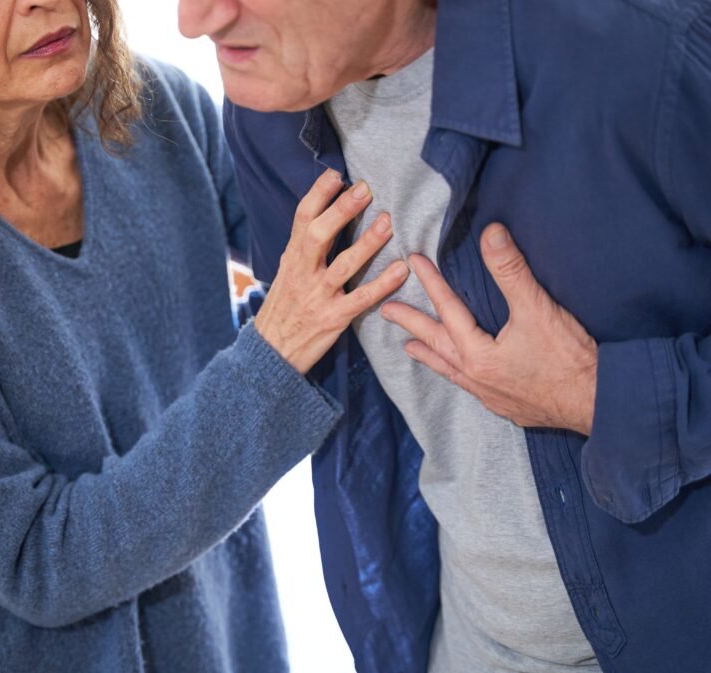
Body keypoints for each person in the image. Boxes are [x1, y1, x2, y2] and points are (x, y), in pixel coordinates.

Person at [0, 0, 412, 671]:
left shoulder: (158, 107)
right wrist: (274, 354)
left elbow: (328, 275)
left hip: (219, 628)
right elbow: (40, 561)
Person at [176, 0, 711, 672]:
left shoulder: (646, 45)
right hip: (466, 644)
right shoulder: (263, 108)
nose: (193, 20)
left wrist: (594, 394)